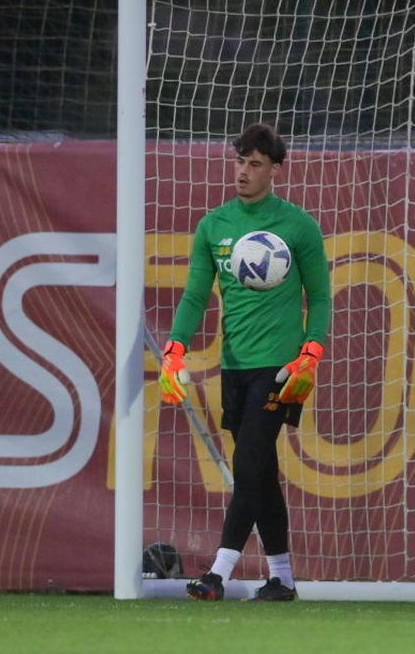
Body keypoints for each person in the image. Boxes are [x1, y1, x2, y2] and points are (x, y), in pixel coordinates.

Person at [159, 122, 331, 602]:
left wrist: (311, 353)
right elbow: (195, 296)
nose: (243, 171)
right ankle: (283, 579)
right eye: (240, 161)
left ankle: (218, 572)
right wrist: (175, 348)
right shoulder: (213, 225)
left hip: (280, 369)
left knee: (249, 461)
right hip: (234, 366)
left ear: (276, 170)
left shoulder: (298, 226)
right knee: (260, 471)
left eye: (255, 164)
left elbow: (320, 297)